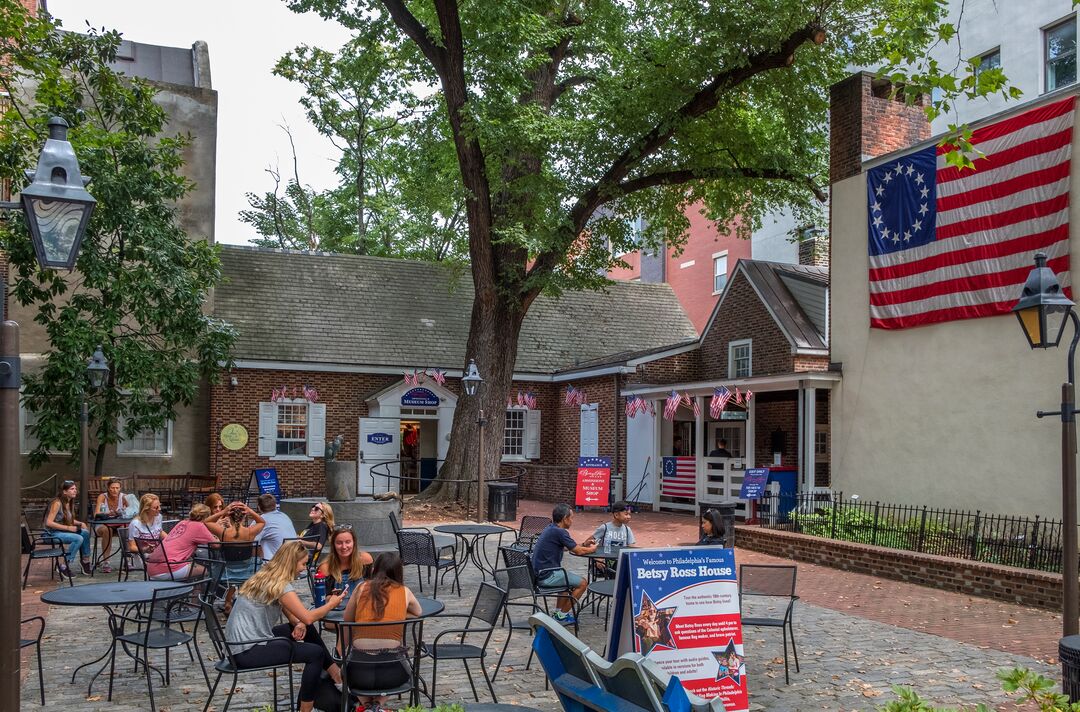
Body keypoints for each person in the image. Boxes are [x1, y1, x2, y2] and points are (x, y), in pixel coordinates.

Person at [225, 541, 344, 712]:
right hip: (246, 651)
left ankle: (336, 675)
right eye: (303, 564)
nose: (304, 569)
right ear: (290, 562)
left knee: (306, 628)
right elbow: (309, 617)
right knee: (315, 654)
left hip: (240, 646)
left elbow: (297, 617)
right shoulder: (281, 586)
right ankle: (306, 709)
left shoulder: (267, 576)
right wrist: (331, 604)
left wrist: (299, 624)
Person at [340, 552, 422, 711]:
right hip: (393, 674)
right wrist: (398, 613)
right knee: (406, 664)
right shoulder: (404, 591)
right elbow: (418, 611)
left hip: (358, 673)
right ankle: (377, 705)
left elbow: (347, 619)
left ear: (375, 569)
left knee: (344, 672)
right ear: (398, 572)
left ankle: (366, 705)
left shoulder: (362, 587)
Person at [530, 503, 596, 625]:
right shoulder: (560, 532)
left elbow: (570, 547)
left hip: (538, 574)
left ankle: (558, 614)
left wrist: (584, 544)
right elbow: (578, 551)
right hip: (547, 576)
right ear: (565, 518)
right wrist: (593, 549)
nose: (572, 521)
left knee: (566, 580)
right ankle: (562, 615)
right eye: (571, 518)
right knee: (582, 583)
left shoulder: (550, 528)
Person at [146, 503, 219, 580]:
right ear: (206, 517)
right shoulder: (199, 526)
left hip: (151, 567)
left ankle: (191, 589)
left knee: (191, 565)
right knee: (205, 570)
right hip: (167, 568)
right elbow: (216, 545)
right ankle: (197, 591)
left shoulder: (182, 522)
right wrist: (217, 535)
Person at [317, 527, 373, 610]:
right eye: (339, 543)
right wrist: (331, 599)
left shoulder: (365, 559)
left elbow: (375, 586)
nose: (344, 547)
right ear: (333, 545)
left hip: (362, 609)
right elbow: (322, 599)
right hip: (336, 611)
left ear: (354, 542)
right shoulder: (325, 568)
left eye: (348, 542)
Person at [44, 480, 92, 576]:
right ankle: (64, 565)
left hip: (61, 531)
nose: (75, 491)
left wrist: (80, 523)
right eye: (72, 489)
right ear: (64, 492)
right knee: (78, 538)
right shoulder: (57, 503)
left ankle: (85, 561)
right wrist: (69, 528)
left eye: (75, 489)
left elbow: (67, 519)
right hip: (51, 533)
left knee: (85, 533)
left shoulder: (69, 502)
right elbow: (48, 522)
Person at [93, 478, 137, 574]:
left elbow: (134, 512)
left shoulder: (124, 497)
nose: (115, 490)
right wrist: (109, 513)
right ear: (108, 488)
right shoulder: (102, 497)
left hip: (119, 524)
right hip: (103, 524)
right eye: (112, 488)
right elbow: (96, 513)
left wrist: (124, 512)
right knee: (107, 530)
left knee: (124, 529)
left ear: (120, 488)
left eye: (117, 488)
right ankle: (106, 562)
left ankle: (127, 560)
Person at [591, 501, 636, 578]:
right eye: (626, 514)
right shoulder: (605, 527)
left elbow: (631, 548)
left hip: (620, 562)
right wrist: (598, 558)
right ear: (616, 515)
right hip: (605, 561)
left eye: (629, 514)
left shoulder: (627, 529)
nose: (629, 517)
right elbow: (591, 543)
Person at [253, 494, 296, 562]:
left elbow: (251, 541)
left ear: (259, 507)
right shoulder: (285, 516)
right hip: (292, 560)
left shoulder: (260, 520)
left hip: (274, 563)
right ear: (275, 505)